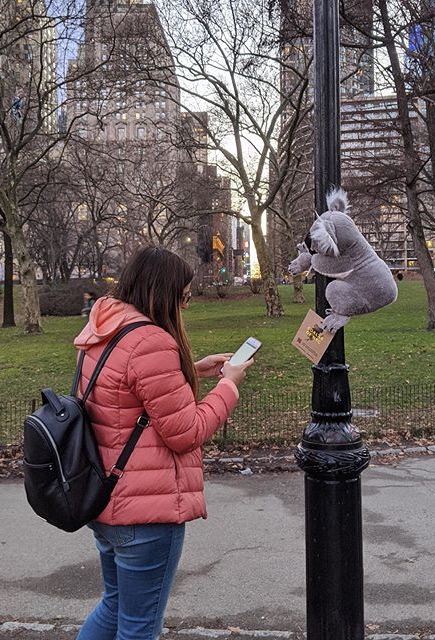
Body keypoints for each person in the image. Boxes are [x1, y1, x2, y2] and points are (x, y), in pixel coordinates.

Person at [74, 246, 253, 640]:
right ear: (163, 293)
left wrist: (192, 370)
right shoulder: (152, 342)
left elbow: (127, 397)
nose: (185, 306)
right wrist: (229, 386)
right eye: (184, 296)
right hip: (146, 513)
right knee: (139, 627)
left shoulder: (105, 328)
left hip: (104, 499)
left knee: (114, 604)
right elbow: (185, 433)